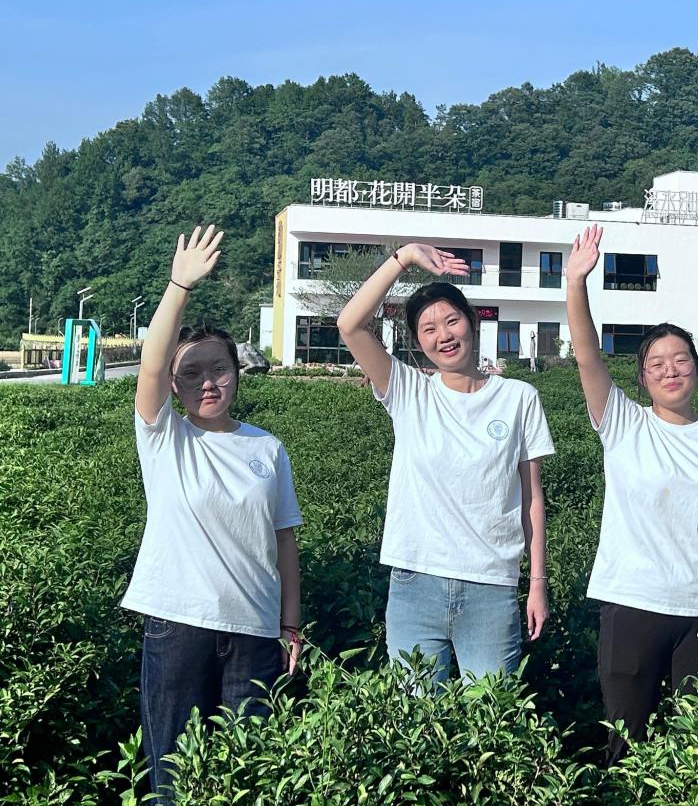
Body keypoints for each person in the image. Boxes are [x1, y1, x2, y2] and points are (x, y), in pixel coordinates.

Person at [565, 224, 698, 765]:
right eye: (656, 364)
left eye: (680, 360)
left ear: (697, 367)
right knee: (626, 744)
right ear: (642, 377)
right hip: (633, 604)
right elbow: (586, 355)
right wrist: (576, 283)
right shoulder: (623, 423)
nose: (670, 370)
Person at [123, 225, 303, 803]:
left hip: (254, 630)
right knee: (174, 778)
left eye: (219, 369)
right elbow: (149, 367)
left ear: (237, 372)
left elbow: (284, 542)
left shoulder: (267, 448)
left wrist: (290, 624)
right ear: (174, 386)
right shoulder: (164, 437)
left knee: (246, 778)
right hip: (178, 624)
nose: (208, 382)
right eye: (191, 373)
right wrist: (179, 286)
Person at [337, 243, 553, 686]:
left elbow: (532, 498)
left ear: (472, 321)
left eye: (452, 320)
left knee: (491, 714)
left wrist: (537, 583)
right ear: (418, 343)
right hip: (416, 582)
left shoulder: (518, 398)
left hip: (492, 585)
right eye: (429, 329)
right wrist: (405, 257)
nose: (444, 335)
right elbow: (350, 324)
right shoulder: (409, 391)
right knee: (414, 717)